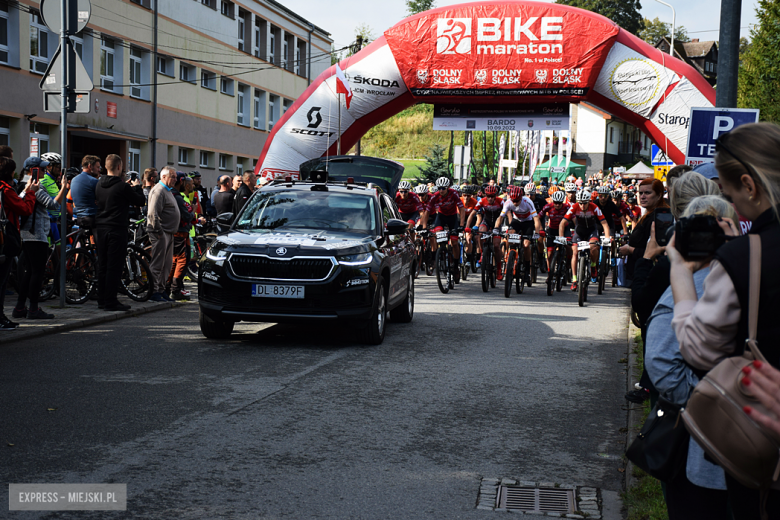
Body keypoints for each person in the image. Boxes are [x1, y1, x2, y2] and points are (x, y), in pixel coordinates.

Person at [668, 123, 780, 519]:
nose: (728, 200)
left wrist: (681, 275)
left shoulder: (746, 257)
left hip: (763, 441)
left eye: (729, 192)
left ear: (749, 185)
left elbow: (697, 348)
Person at [645, 195, 737, 520]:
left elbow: (660, 362)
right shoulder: (749, 274)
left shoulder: (686, 283)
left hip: (706, 450)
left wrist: (699, 401)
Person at [628, 172, 722, 404]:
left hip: (687, 393)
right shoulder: (734, 248)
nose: (642, 197)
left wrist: (647, 258)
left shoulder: (676, 262)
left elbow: (641, 302)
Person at [12, 157, 68, 319]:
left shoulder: (22, 185)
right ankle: (33, 309)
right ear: (33, 170)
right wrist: (63, 188)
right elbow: (53, 205)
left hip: (26, 233)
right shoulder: (36, 186)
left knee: (30, 272)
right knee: (37, 272)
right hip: (36, 234)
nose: (45, 172)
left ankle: (20, 307)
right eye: (42, 170)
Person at [94, 154, 146, 311]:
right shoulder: (122, 186)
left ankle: (101, 299)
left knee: (102, 265)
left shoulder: (98, 184)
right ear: (118, 167)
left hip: (100, 229)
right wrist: (137, 187)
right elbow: (140, 201)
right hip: (116, 229)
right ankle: (111, 301)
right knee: (114, 266)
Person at [0, 156, 37, 330]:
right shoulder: (6, 190)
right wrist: (31, 193)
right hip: (5, 238)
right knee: (2, 280)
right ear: (10, 172)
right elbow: (24, 209)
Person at [618, 178, 669, 285]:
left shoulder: (658, 218)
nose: (642, 196)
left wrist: (630, 250)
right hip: (638, 274)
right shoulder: (649, 214)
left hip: (648, 277)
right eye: (640, 193)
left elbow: (657, 251)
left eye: (647, 193)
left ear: (659, 195)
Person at [146, 166, 181, 302]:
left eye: (175, 177)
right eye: (172, 176)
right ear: (164, 177)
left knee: (167, 264)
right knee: (158, 263)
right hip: (161, 232)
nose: (175, 179)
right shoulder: (158, 190)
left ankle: (161, 290)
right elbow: (152, 214)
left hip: (169, 232)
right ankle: (154, 291)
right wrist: (159, 232)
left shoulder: (167, 190)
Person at [168, 173, 201, 300]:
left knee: (179, 259)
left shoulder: (177, 196)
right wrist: (192, 211)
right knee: (180, 260)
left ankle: (174, 287)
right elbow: (187, 216)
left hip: (183, 232)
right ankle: (174, 288)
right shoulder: (177, 197)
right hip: (179, 232)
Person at [70, 155, 101, 227]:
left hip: (78, 218)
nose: (99, 170)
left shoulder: (74, 180)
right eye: (97, 167)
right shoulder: (93, 181)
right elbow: (103, 199)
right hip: (92, 217)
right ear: (90, 166)